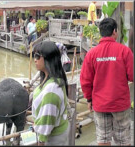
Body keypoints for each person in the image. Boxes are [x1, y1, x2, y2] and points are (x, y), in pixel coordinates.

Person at [80, 18, 133, 146]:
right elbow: (132, 76)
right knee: (123, 138)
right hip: (120, 103)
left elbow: (85, 80)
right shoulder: (124, 51)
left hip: (100, 103)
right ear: (115, 31)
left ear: (101, 32)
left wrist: (88, 99)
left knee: (103, 138)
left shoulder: (92, 53)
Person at [32, 41, 70, 146]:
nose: (34, 60)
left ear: (48, 59)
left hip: (51, 138)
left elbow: (47, 120)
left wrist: (41, 141)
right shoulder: (49, 78)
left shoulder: (52, 89)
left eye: (37, 56)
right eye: (34, 56)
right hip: (57, 133)